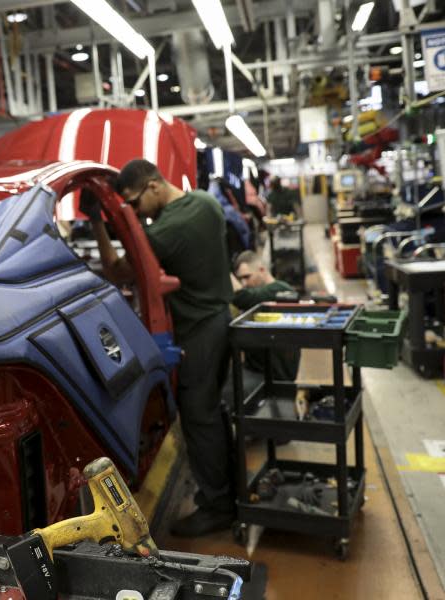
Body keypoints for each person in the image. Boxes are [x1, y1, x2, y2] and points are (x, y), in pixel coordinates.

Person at [81, 159, 235, 537]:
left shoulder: (166, 232)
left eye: (134, 203)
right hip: (219, 316)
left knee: (199, 416)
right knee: (213, 412)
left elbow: (116, 270)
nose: (134, 211)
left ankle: (218, 506)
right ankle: (228, 493)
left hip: (199, 331)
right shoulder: (204, 202)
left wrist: (99, 222)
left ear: (153, 186)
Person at [231, 250, 300, 381]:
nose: (244, 283)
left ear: (262, 270)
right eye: (240, 279)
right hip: (258, 370)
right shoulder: (260, 294)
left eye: (247, 277)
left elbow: (243, 298)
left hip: (276, 376)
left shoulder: (280, 289)